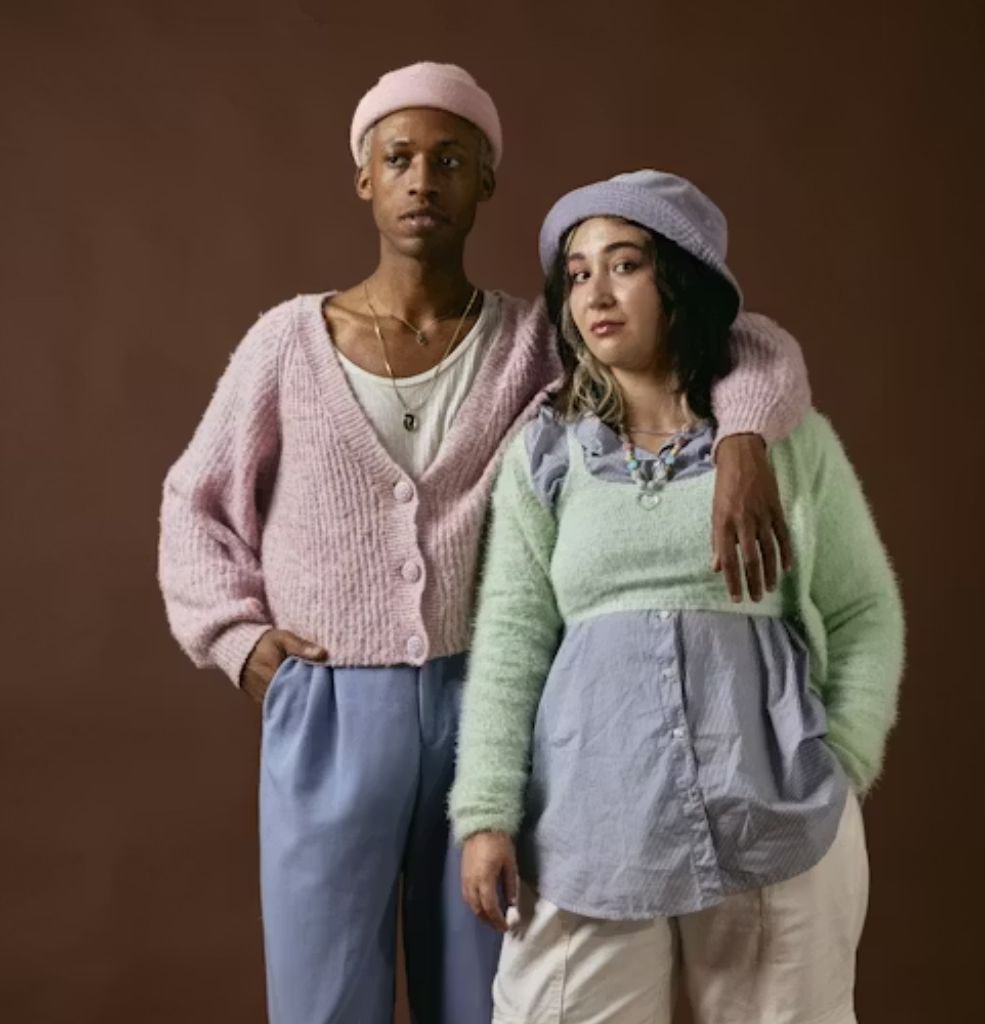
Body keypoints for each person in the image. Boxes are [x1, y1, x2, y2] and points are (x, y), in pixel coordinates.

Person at [158, 63, 812, 1024]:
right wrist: (238, 640)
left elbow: (745, 342)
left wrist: (745, 435)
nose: (425, 179)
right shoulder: (286, 345)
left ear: (487, 183)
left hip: (493, 706)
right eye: (401, 158)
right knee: (319, 996)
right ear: (364, 179)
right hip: (332, 705)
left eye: (452, 159)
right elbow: (194, 505)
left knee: (490, 991)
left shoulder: (537, 340)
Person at [452, 170, 904, 1024]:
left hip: (776, 808)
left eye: (626, 264)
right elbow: (509, 637)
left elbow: (863, 607)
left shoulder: (786, 443)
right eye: (578, 273)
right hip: (589, 817)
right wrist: (486, 812)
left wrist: (840, 758)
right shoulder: (543, 460)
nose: (597, 292)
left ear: (681, 281)